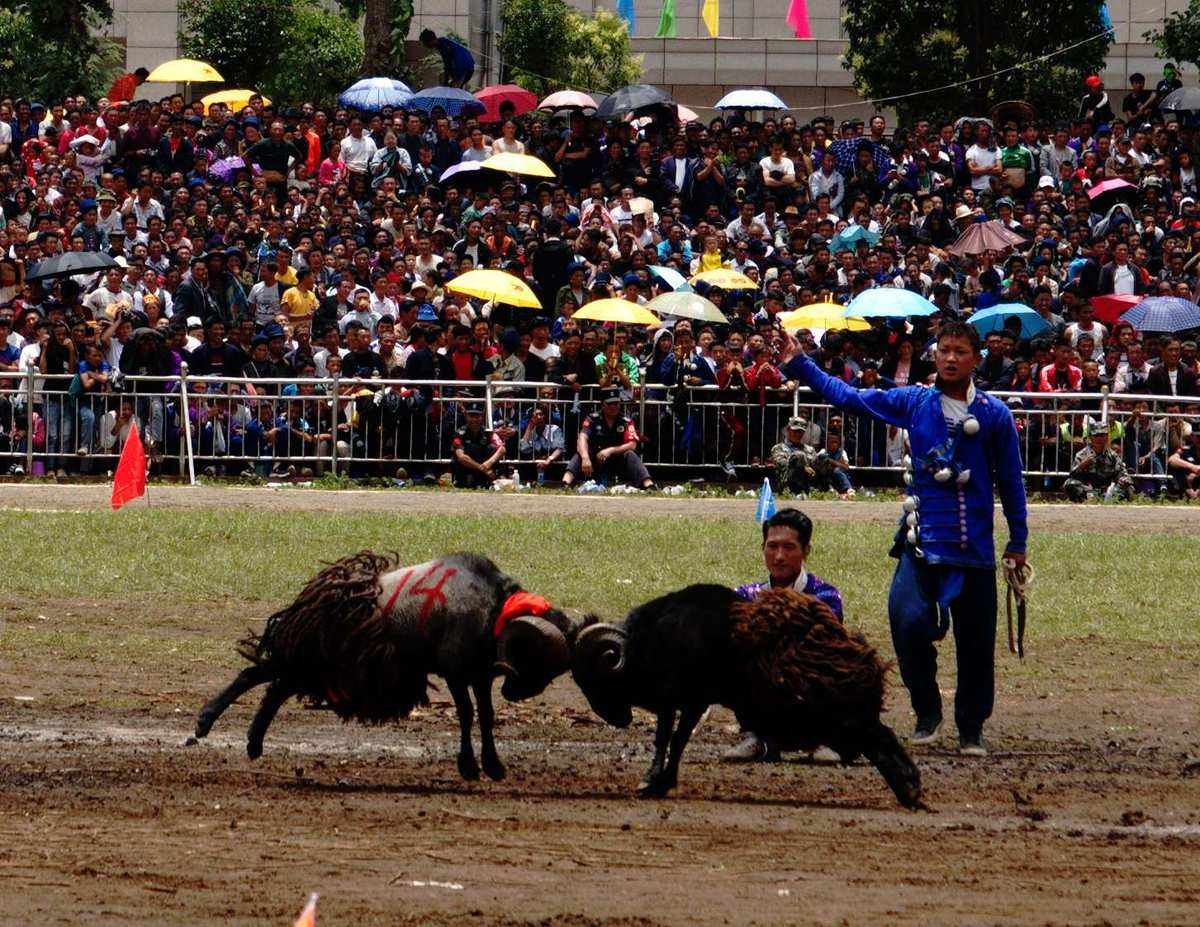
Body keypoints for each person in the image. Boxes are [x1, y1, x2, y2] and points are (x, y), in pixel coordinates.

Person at [783, 320, 1027, 756]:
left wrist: (1018, 540)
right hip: (921, 541)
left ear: (975, 358)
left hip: (974, 551)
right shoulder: (915, 402)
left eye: (960, 352)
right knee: (906, 620)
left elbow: (1011, 483)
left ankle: (971, 727)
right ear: (935, 356)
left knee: (976, 644)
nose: (950, 358)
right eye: (944, 350)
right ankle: (926, 711)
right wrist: (802, 365)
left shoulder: (994, 415)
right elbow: (851, 397)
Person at [724, 508, 844, 763]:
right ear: (763, 547)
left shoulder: (826, 596)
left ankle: (820, 738)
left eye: (789, 547)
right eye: (772, 546)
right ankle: (757, 735)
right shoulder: (745, 595)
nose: (779, 556)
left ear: (806, 551)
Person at [561, 387, 654, 490]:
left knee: (630, 454)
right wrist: (585, 457)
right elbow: (582, 438)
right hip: (594, 461)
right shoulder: (592, 419)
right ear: (602, 404)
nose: (614, 407)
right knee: (581, 453)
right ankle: (565, 483)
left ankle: (648, 485)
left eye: (616, 403)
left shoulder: (626, 421)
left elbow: (632, 444)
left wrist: (610, 450)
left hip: (617, 460)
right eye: (610, 404)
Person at [1063, 423, 1135, 502]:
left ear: (1107, 437)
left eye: (1102, 435)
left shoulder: (1113, 456)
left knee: (1128, 487)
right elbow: (1072, 474)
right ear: (1090, 437)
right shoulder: (1082, 454)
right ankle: (1088, 500)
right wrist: (1082, 465)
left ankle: (1109, 500)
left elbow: (1123, 474)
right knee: (1069, 483)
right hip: (1087, 490)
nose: (1099, 439)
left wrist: (1124, 480)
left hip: (1107, 490)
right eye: (1096, 436)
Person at [451, 404, 504, 487]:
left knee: (492, 448)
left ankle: (487, 480)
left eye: (477, 416)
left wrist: (488, 463)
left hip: (484, 465)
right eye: (471, 416)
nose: (474, 419)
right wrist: (483, 469)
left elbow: (502, 449)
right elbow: (461, 457)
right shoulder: (459, 433)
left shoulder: (488, 432)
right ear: (466, 416)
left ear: (482, 417)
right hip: (468, 468)